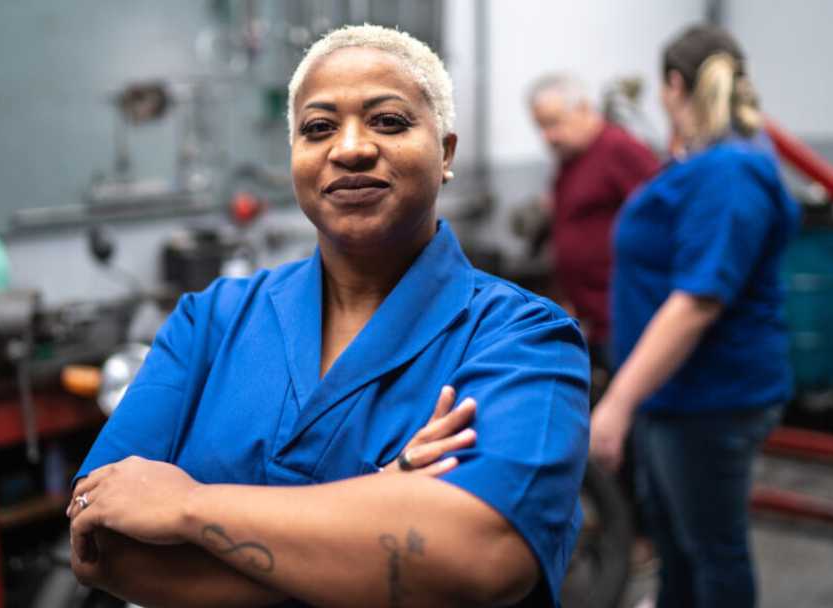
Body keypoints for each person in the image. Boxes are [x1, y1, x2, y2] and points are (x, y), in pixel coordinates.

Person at [68, 25, 590, 608]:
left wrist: (188, 507)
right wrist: (383, 499)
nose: (349, 148)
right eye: (318, 128)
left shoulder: (523, 340)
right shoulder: (209, 322)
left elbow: (480, 555)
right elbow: (104, 544)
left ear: (444, 152)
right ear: (295, 157)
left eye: (388, 121)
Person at [589, 24, 801, 608]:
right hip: (675, 394)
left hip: (709, 397)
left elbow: (697, 301)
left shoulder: (731, 169)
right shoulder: (710, 160)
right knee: (678, 546)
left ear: (674, 84)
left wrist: (618, 403)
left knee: (713, 550)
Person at [528, 74, 660, 363]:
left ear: (585, 109)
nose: (547, 137)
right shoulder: (569, 160)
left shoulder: (620, 150)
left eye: (554, 123)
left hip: (627, 321)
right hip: (593, 321)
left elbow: (662, 223)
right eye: (541, 127)